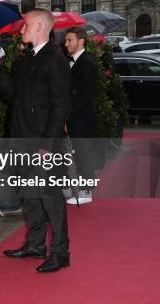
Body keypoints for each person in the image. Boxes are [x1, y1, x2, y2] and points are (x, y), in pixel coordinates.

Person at [0, 8, 71, 273]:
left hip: (43, 143)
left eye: (24, 26)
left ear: (37, 27)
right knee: (31, 196)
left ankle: (60, 252)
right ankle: (35, 245)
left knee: (50, 198)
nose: (20, 30)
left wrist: (47, 144)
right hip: (22, 139)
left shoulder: (55, 58)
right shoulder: (27, 58)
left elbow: (61, 106)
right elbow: (15, 97)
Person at [64, 28, 98, 205]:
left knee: (83, 154)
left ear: (81, 41)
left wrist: (66, 111)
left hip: (82, 119)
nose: (66, 44)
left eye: (69, 40)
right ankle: (72, 186)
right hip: (74, 117)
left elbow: (87, 95)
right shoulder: (75, 62)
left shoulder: (87, 63)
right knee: (75, 153)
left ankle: (87, 190)